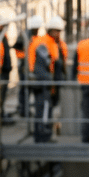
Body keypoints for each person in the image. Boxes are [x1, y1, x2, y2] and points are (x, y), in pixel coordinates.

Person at [26, 15, 58, 143]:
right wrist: (49, 81)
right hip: (41, 82)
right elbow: (40, 66)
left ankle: (41, 135)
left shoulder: (41, 41)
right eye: (57, 31)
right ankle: (42, 136)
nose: (59, 34)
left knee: (42, 107)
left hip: (39, 80)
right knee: (44, 107)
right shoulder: (43, 43)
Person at [45, 15, 67, 106]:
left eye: (59, 31)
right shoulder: (45, 42)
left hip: (57, 78)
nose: (58, 33)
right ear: (50, 30)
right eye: (56, 31)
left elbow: (63, 60)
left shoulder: (61, 44)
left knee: (55, 102)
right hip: (48, 78)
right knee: (47, 103)